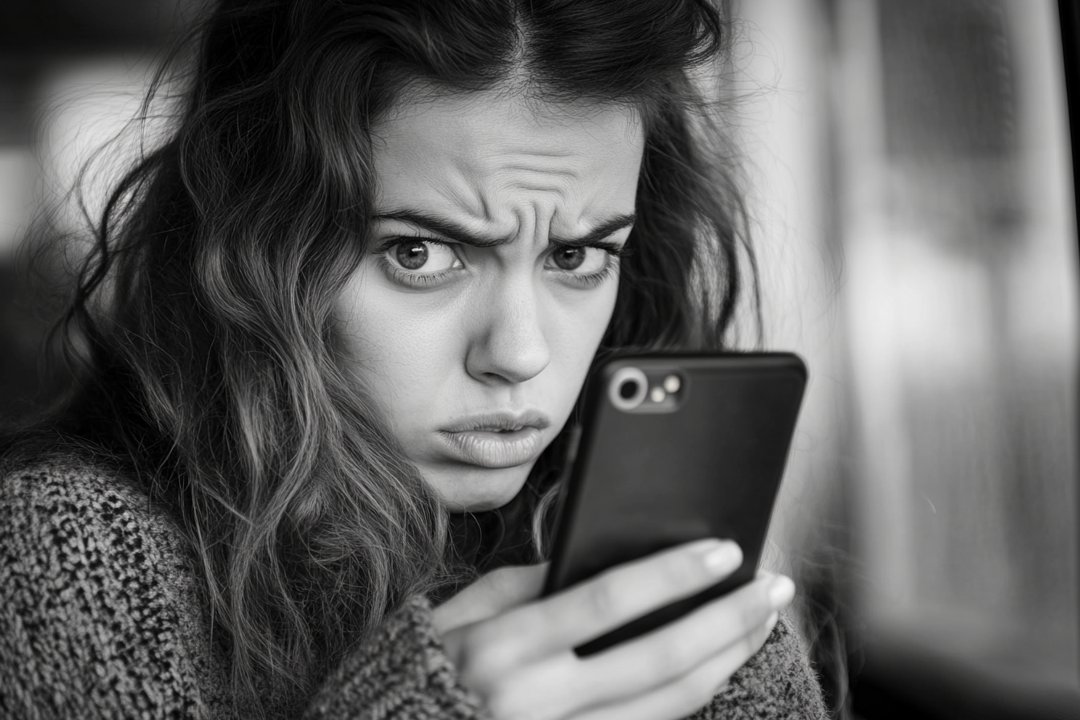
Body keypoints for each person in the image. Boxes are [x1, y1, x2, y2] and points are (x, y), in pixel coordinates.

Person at [0, 0, 829, 718]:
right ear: (255, 249)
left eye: (576, 258)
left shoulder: (611, 541)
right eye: (421, 254)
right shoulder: (69, 550)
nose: (520, 354)